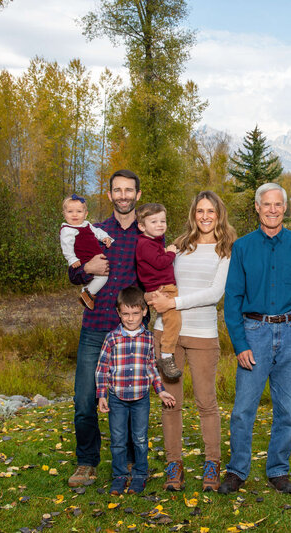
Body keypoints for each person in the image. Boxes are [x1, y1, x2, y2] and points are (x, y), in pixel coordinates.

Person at [218, 183, 291, 495]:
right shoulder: (244, 247)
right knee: (242, 410)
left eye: (278, 205)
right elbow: (232, 299)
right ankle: (237, 470)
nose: (273, 210)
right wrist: (240, 344)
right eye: (267, 204)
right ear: (257, 207)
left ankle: (278, 469)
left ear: (285, 208)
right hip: (255, 333)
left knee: (286, 410)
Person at [146, 191, 237, 492]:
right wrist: (152, 297)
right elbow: (157, 276)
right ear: (193, 214)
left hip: (202, 335)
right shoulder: (179, 246)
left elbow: (214, 294)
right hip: (167, 334)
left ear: (219, 214)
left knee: (206, 403)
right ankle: (175, 464)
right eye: (200, 210)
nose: (205, 216)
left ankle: (212, 462)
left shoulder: (226, 250)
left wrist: (174, 303)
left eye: (210, 211)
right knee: (171, 403)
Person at [67, 169, 143, 488]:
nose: (123, 195)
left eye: (129, 190)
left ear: (138, 195)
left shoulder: (148, 232)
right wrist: (88, 268)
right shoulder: (93, 231)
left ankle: (127, 459)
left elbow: (159, 277)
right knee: (84, 399)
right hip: (96, 328)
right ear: (109, 195)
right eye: (117, 190)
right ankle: (87, 462)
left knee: (128, 399)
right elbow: (73, 275)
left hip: (130, 333)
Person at [95, 287, 176, 495]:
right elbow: (102, 367)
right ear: (118, 313)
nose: (131, 319)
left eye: (135, 313)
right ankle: (120, 476)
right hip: (117, 398)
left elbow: (151, 368)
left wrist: (160, 391)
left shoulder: (149, 339)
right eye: (126, 314)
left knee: (140, 438)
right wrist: (102, 394)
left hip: (141, 398)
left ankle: (140, 475)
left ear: (144, 312)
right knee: (118, 440)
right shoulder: (112, 338)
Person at [135, 202, 182, 380]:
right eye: (153, 222)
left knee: (171, 321)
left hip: (165, 286)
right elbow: (160, 262)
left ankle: (162, 354)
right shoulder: (144, 244)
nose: (160, 225)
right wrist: (170, 253)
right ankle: (166, 355)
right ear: (141, 226)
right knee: (173, 320)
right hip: (162, 289)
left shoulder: (153, 240)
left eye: (163, 221)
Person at [59, 194, 114, 309]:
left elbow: (97, 231)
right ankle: (87, 293)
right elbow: (66, 246)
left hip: (94, 258)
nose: (74, 214)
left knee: (101, 276)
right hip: (84, 260)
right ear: (64, 214)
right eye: (70, 211)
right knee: (102, 277)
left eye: (79, 211)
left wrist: (105, 237)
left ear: (85, 214)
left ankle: (87, 292)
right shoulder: (67, 230)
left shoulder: (87, 225)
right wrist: (72, 259)